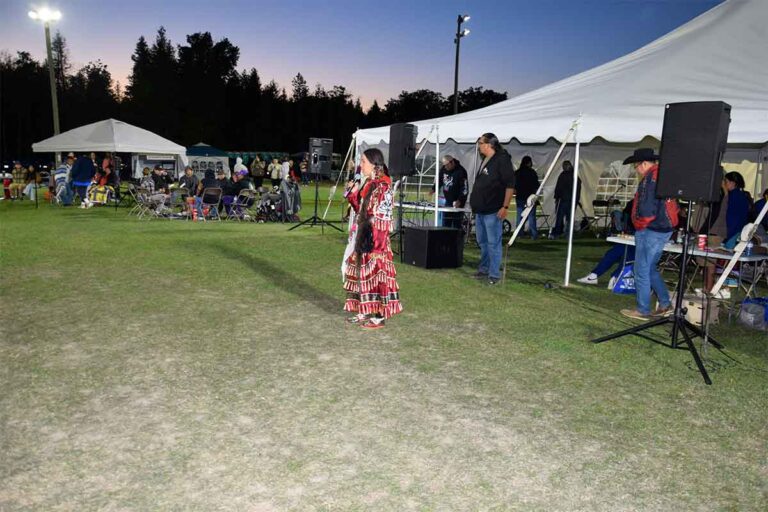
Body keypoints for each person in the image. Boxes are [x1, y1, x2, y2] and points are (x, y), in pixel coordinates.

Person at [343, 148, 402, 329]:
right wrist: (352, 193)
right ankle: (364, 310)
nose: (360, 166)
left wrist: (376, 248)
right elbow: (361, 210)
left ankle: (378, 316)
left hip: (376, 241)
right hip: (363, 236)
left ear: (374, 164)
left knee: (377, 277)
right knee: (360, 273)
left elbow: (383, 219)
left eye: (363, 162)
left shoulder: (384, 187)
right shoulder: (369, 183)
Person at [619, 148, 679, 320]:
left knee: (641, 270)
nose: (636, 169)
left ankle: (643, 309)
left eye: (636, 166)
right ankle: (665, 304)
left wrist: (640, 225)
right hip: (662, 230)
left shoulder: (650, 179)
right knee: (650, 268)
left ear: (644, 164)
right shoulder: (662, 176)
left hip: (651, 230)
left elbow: (646, 209)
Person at [469, 133, 516, 285]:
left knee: (493, 243)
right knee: (482, 242)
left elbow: (510, 185)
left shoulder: (502, 160)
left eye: (480, 142)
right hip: (481, 210)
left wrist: (505, 206)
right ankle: (484, 269)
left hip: (493, 210)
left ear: (489, 144)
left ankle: (494, 275)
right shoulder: (486, 159)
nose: (479, 145)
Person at [578, 200, 636, 286]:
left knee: (628, 253)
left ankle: (616, 276)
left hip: (648, 237)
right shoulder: (635, 201)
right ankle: (596, 275)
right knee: (616, 251)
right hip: (636, 233)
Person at [549, 160, 582, 239]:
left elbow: (559, 187)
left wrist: (557, 197)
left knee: (559, 218)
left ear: (566, 166)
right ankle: (568, 234)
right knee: (569, 219)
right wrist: (577, 200)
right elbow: (578, 189)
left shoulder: (563, 175)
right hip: (572, 201)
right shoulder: (575, 176)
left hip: (563, 200)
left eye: (564, 166)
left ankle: (557, 234)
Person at [435, 155, 468, 229]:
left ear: (452, 162)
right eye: (444, 165)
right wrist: (433, 188)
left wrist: (460, 200)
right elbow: (439, 180)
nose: (445, 167)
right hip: (448, 201)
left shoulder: (461, 171)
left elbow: (465, 188)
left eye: (447, 165)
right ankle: (445, 240)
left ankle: (456, 239)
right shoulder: (443, 169)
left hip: (458, 202)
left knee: (456, 225)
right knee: (446, 224)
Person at [514, 155, 540, 239]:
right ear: (529, 163)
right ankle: (533, 234)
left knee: (520, 216)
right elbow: (537, 185)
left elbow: (514, 185)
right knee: (531, 216)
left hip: (520, 197)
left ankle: (519, 234)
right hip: (530, 197)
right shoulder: (532, 172)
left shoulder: (517, 172)